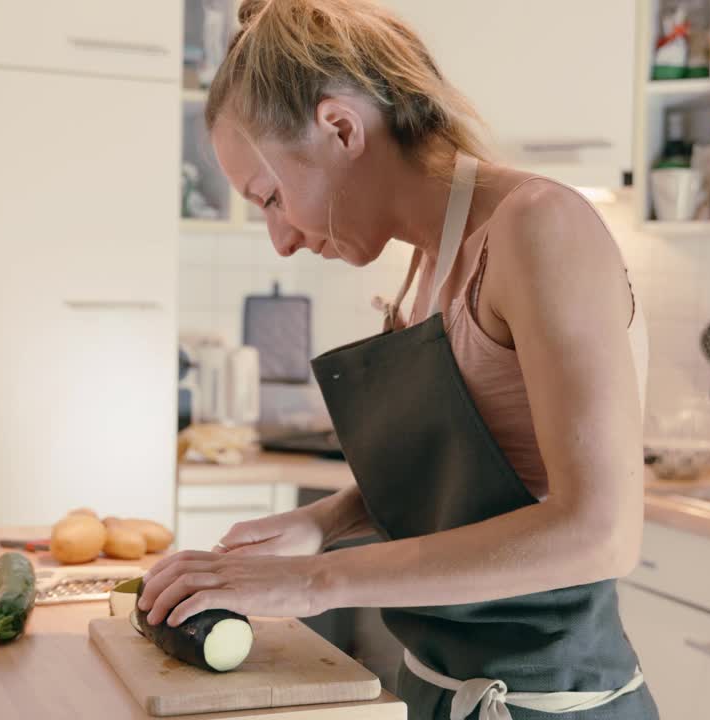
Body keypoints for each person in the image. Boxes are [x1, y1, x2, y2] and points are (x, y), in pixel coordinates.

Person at [139, 1, 656, 718]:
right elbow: (483, 473)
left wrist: (318, 582)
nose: (280, 240)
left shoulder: (540, 227)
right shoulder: (423, 267)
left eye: (271, 198)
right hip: (440, 692)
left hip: (553, 704)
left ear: (341, 128)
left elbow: (599, 531)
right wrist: (329, 520)